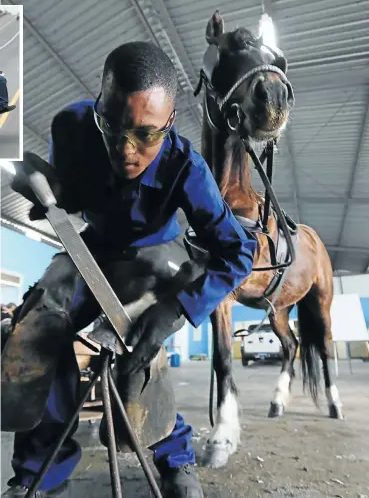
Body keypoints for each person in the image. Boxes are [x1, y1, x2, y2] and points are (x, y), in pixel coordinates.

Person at [2, 41, 257, 497]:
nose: (126, 149)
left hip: (157, 257)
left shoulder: (188, 168)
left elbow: (236, 252)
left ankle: (174, 458)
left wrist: (176, 309)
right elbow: (71, 197)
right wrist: (47, 189)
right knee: (38, 333)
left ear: (171, 123)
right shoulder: (72, 127)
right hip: (93, 251)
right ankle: (38, 475)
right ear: (99, 103)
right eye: (113, 127)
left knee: (134, 355)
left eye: (146, 134)